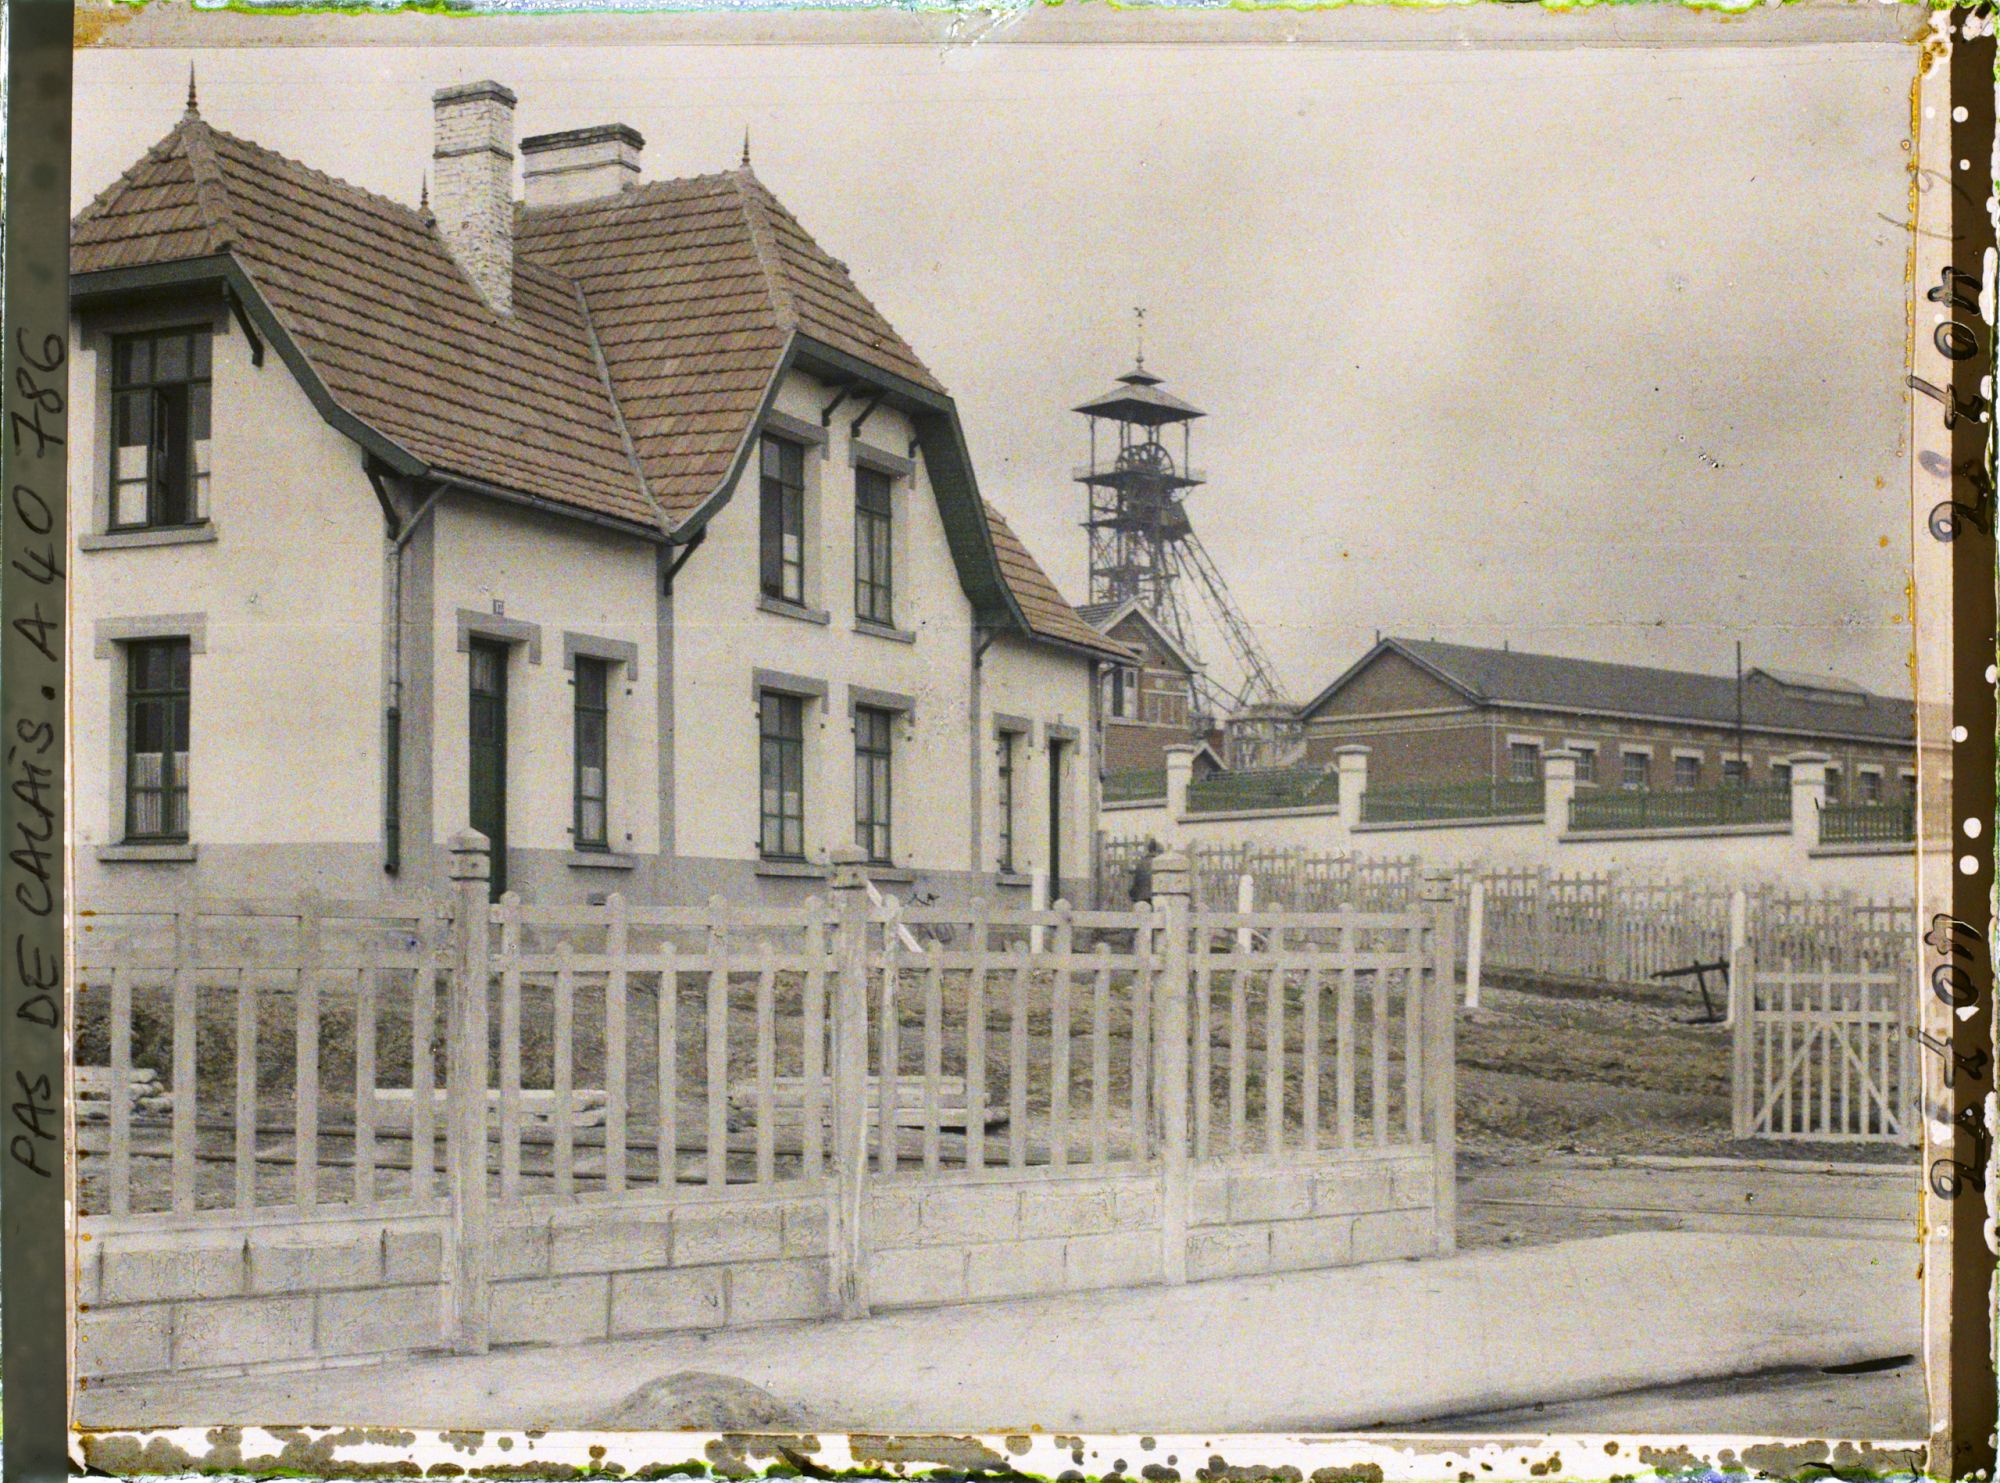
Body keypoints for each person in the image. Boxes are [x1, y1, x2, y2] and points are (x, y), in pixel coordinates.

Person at [1129, 837, 1162, 905]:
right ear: (1157, 851)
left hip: (1140, 899)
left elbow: (1135, 886)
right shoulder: (1159, 863)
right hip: (1155, 899)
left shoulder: (1141, 863)